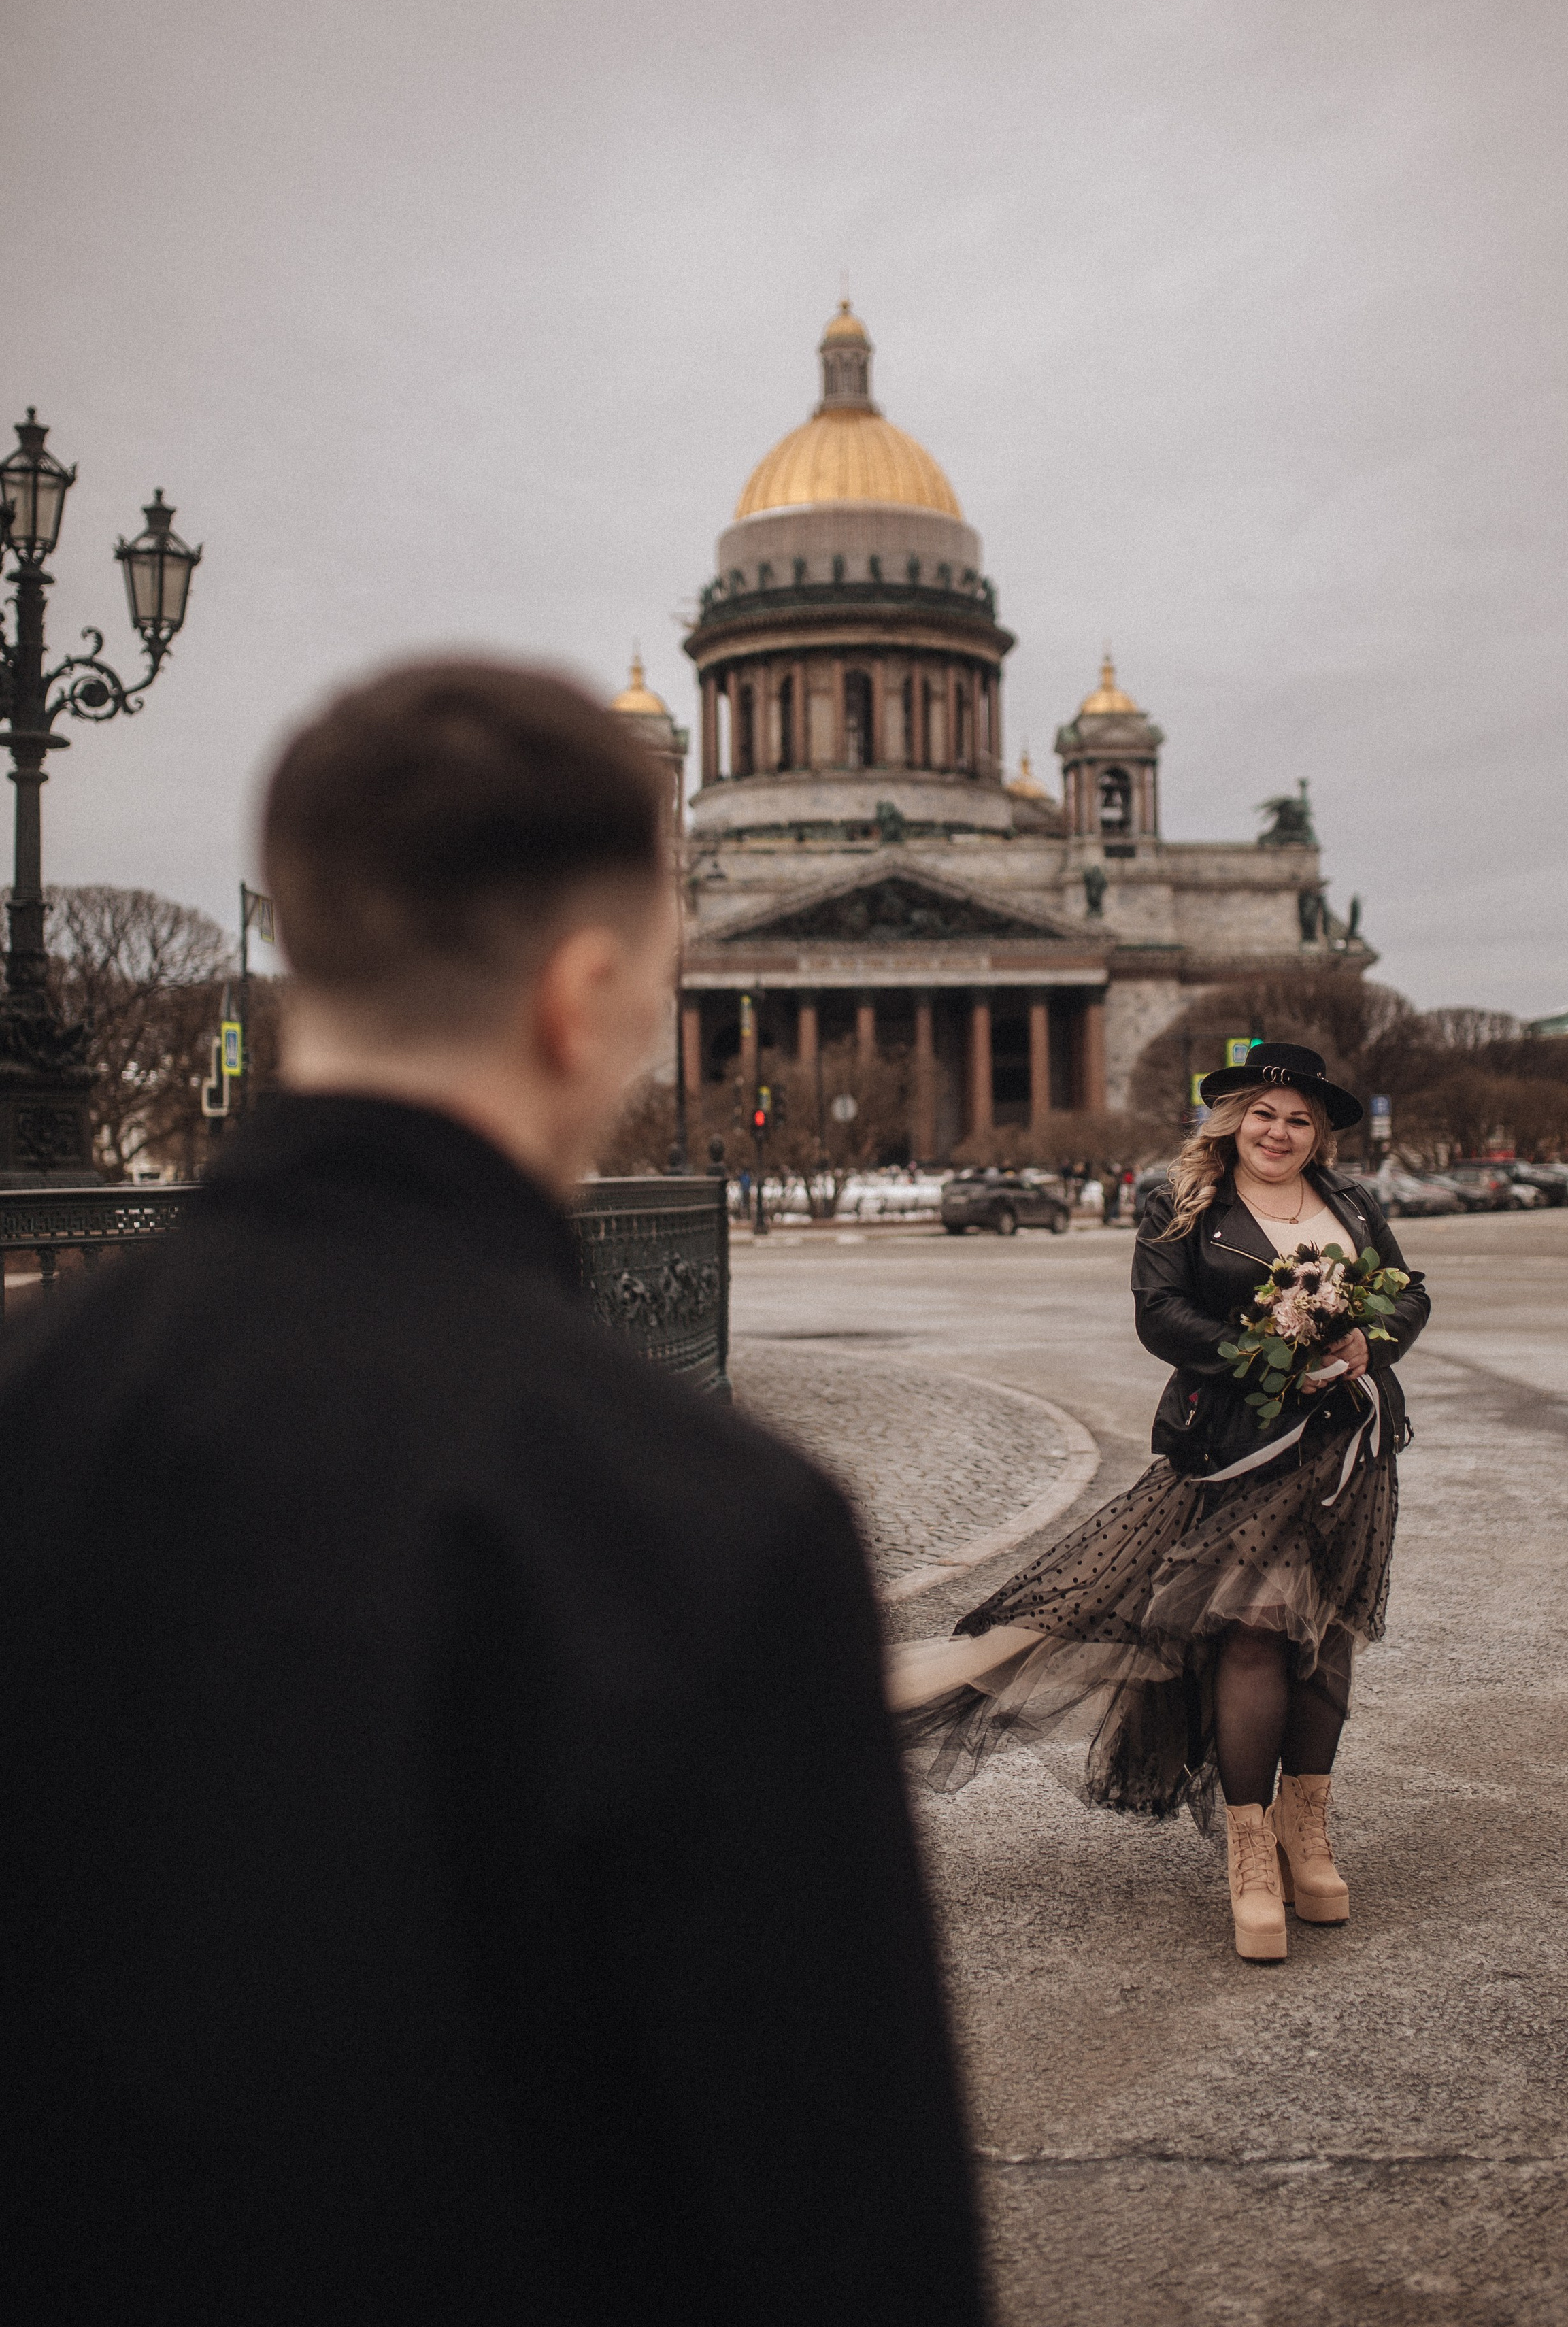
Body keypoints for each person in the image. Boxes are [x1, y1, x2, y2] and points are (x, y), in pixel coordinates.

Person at [0, 660, 985, 2325]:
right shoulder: (713, 1526)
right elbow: (842, 2226)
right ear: (582, 990)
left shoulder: (33, 1405)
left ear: (309, 952)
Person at [891, 1044, 1429, 1966]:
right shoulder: (1182, 1202)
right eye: (1265, 1113)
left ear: (1318, 1132)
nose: (1280, 1132)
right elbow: (1161, 1315)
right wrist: (1267, 1353)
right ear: (1232, 1118)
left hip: (1347, 1449)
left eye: (1299, 1119)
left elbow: (1408, 1295)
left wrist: (1366, 1348)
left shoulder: (1352, 1203)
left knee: (1327, 1637)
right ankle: (1251, 1852)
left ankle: (1310, 1833)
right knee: (1256, 1632)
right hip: (1234, 1449)